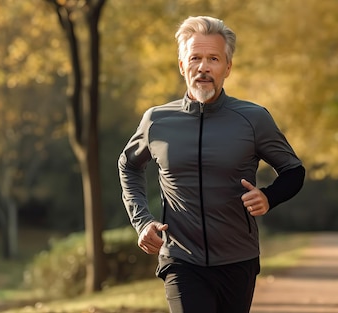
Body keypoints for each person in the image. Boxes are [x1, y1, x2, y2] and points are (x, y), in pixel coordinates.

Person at [118, 15, 305, 313]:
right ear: (182, 66)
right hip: (181, 258)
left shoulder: (253, 119)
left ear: (227, 67)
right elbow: (128, 165)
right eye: (195, 58)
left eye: (213, 58)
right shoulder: (157, 120)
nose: (203, 67)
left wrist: (269, 197)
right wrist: (142, 221)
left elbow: (294, 171)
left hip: (237, 259)